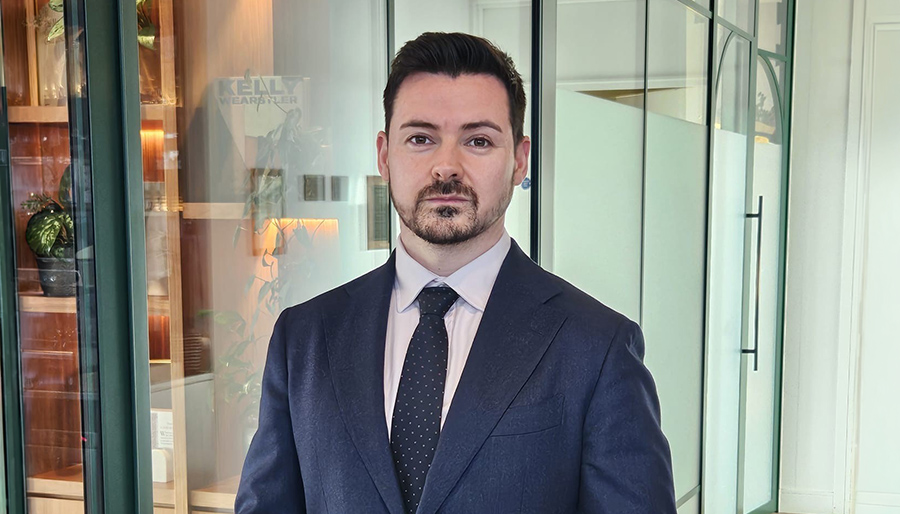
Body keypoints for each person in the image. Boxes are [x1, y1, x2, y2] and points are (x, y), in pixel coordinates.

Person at [234, 32, 676, 514]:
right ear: (384, 156)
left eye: (478, 140)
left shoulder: (597, 347)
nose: (446, 167)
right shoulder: (304, 338)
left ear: (519, 160)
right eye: (420, 139)